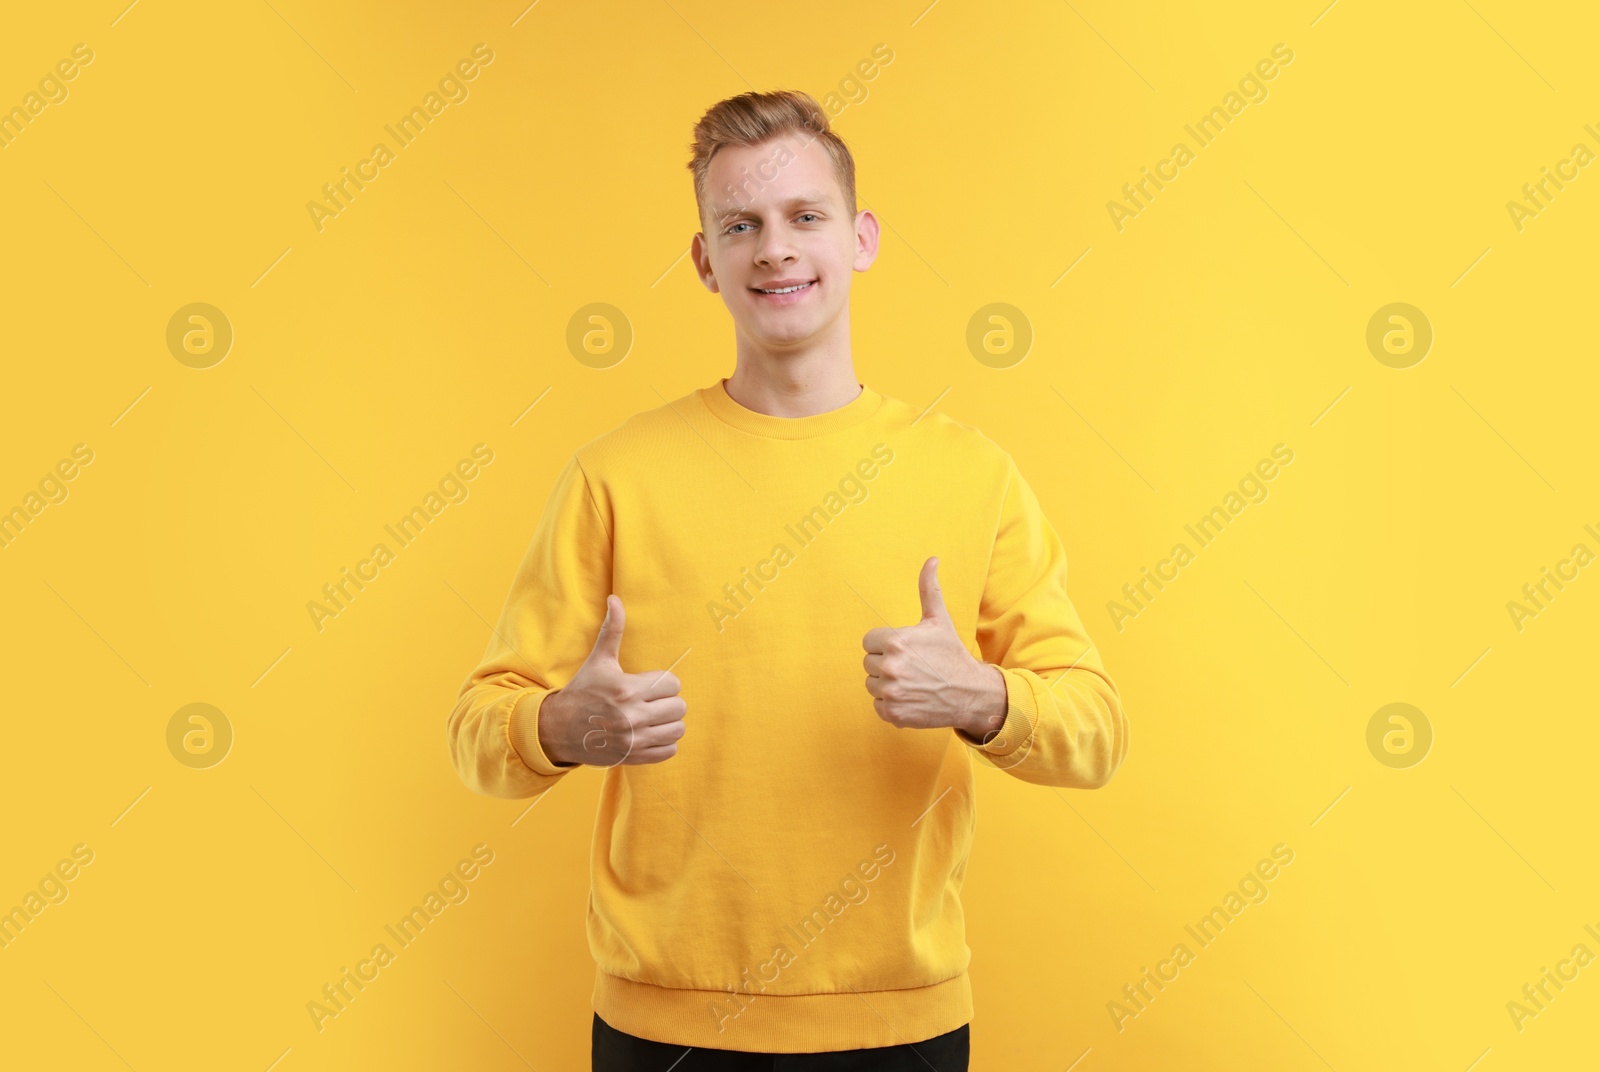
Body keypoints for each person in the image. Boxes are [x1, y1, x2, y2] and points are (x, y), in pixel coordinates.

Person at [446, 88, 1129, 1071]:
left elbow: (1096, 733)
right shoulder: (613, 476)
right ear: (704, 261)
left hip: (903, 1028)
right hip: (662, 1033)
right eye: (740, 225)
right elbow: (477, 729)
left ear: (860, 239)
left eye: (804, 216)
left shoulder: (972, 475)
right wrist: (557, 726)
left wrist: (980, 697)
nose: (773, 248)